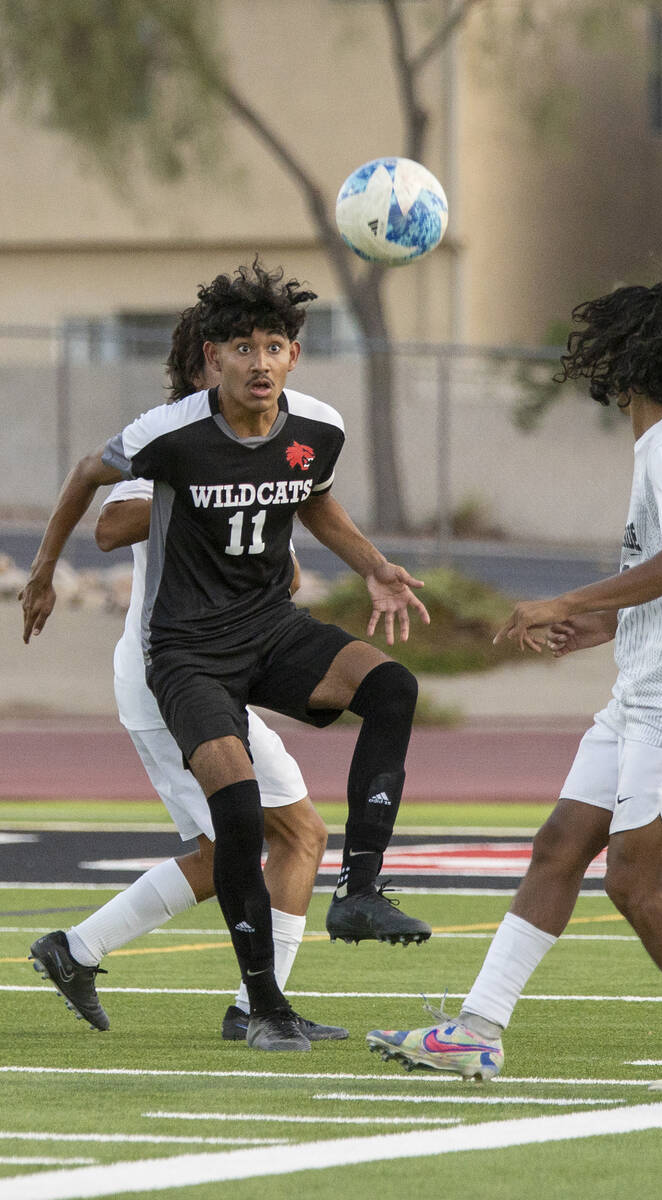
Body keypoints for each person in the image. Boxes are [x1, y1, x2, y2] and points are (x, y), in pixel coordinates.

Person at [367, 276, 662, 1093]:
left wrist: (569, 599)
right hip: (648, 687)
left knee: (633, 877)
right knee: (559, 846)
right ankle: (475, 1032)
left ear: (626, 359)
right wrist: (609, 624)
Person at [21, 261, 431, 1053]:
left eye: (272, 347)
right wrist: (215, 495)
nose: (257, 363)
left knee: (293, 832)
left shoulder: (303, 428)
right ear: (207, 362)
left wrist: (327, 541)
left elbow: (307, 493)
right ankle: (240, 1001)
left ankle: (103, 957)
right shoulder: (169, 438)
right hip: (166, 665)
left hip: (256, 640)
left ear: (290, 356)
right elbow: (108, 523)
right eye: (238, 349)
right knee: (241, 832)